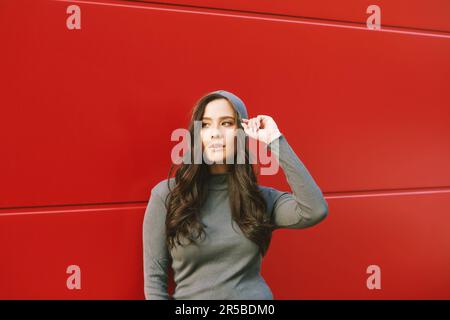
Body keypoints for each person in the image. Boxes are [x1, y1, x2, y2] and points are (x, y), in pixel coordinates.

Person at [143, 89, 328, 300]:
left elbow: (314, 210)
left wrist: (274, 140)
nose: (215, 133)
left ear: (241, 131)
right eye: (205, 124)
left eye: (226, 123)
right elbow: (154, 280)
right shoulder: (166, 195)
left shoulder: (259, 198)